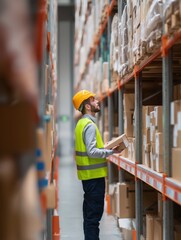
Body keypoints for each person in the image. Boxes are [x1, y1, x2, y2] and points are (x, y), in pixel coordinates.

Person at [72, 90, 122, 240]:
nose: (97, 102)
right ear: (87, 106)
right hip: (94, 178)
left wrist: (104, 147)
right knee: (93, 219)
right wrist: (111, 152)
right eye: (93, 100)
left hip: (88, 178)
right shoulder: (89, 126)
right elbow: (92, 152)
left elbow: (91, 148)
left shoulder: (82, 123)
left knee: (89, 217)